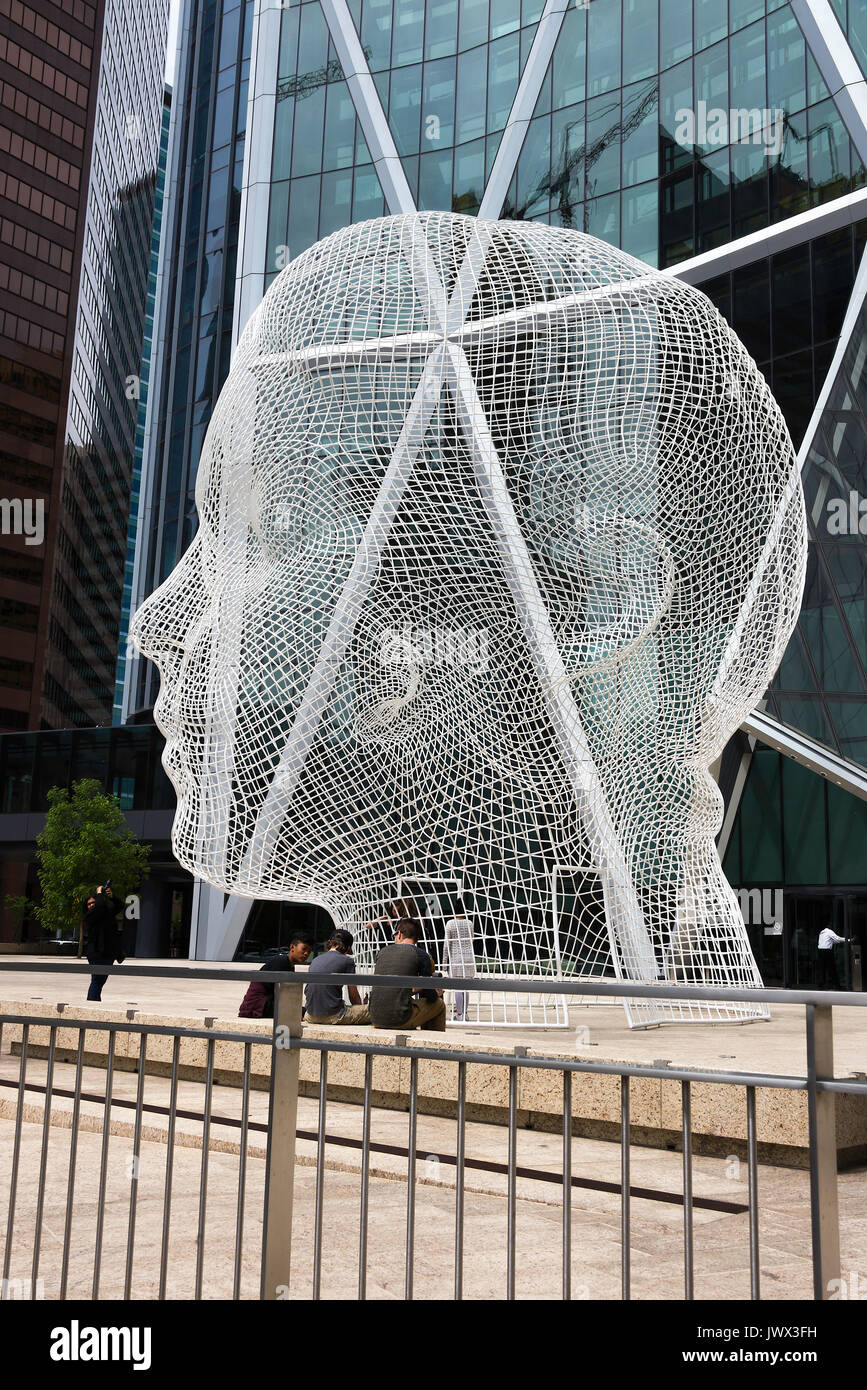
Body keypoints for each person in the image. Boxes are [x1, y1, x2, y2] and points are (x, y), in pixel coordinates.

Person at [370, 919, 446, 1032]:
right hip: (399, 1018)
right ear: (417, 939)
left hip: (374, 1016)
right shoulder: (421, 955)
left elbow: (393, 988)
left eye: (394, 935)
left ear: (399, 934)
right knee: (439, 1004)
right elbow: (429, 996)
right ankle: (434, 1044)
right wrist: (436, 992)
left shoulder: (382, 952)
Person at [304, 929, 371, 1025]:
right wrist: (359, 1009)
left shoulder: (315, 960)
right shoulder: (347, 961)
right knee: (372, 1011)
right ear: (348, 948)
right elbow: (353, 995)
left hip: (309, 1015)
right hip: (333, 1016)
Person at [238, 934, 312, 1018]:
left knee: (303, 1010)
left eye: (309, 951)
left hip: (268, 1003)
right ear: (292, 947)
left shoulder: (289, 965)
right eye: (304, 949)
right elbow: (278, 993)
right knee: (302, 1011)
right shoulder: (280, 961)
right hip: (257, 1005)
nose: (306, 953)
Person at [82, 884, 125, 1002]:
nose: (91, 905)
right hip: (96, 953)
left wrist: (112, 897)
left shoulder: (107, 914)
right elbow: (99, 907)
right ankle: (92, 1003)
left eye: (93, 903)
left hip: (108, 953)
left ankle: (94, 1001)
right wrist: (99, 894)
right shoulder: (89, 916)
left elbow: (120, 905)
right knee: (97, 980)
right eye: (89, 904)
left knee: (100, 981)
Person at [443, 898, 475, 1022]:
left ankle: (460, 1014)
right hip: (468, 957)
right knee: (466, 987)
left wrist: (444, 964)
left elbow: (447, 945)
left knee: (458, 987)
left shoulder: (450, 923)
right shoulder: (470, 923)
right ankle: (465, 1014)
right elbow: (471, 939)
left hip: (455, 958)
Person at [817, 922, 845, 989]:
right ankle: (837, 985)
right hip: (827, 952)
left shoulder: (821, 932)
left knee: (822, 969)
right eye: (831, 925)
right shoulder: (829, 931)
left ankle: (821, 985)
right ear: (828, 925)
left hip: (820, 951)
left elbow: (832, 941)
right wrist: (849, 940)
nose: (831, 926)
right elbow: (837, 938)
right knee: (832, 968)